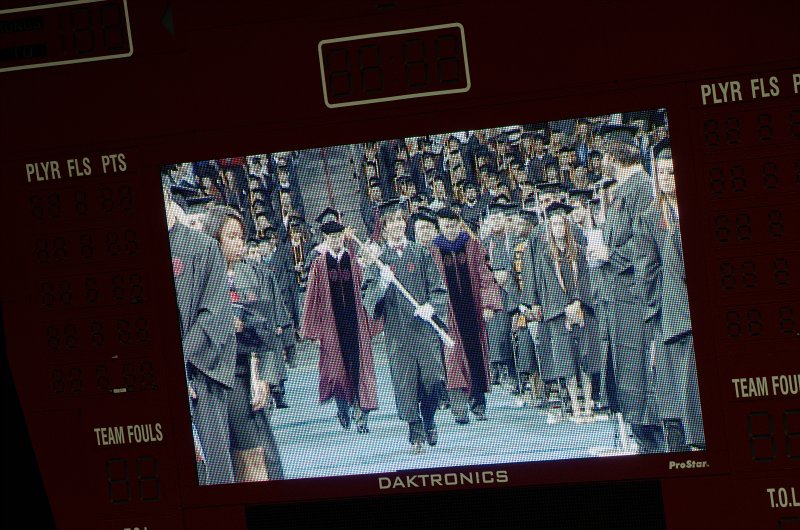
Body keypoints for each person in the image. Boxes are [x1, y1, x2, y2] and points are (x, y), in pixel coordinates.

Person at [592, 123, 662, 453]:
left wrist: (611, 254)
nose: (600, 161)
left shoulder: (642, 188)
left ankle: (655, 448)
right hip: (618, 300)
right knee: (627, 379)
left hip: (635, 300)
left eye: (604, 154)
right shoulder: (621, 189)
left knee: (641, 382)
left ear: (615, 155)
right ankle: (642, 440)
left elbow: (647, 244)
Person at [203, 205, 286, 481]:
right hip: (211, 379)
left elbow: (268, 336)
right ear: (214, 239)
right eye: (231, 237)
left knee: (262, 458)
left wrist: (264, 378)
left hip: (245, 375)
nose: (240, 244)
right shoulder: (197, 279)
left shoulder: (253, 275)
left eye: (241, 237)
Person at [361, 199, 449, 453]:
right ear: (385, 229)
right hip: (398, 334)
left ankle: (429, 416)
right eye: (391, 223)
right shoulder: (379, 262)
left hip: (423, 330)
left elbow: (438, 288)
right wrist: (382, 285)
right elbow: (369, 302)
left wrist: (431, 306)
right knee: (406, 383)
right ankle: (415, 429)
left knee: (434, 380)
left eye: (400, 221)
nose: (397, 227)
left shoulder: (420, 253)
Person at [164, 182, 236, 486]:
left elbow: (214, 316)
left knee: (216, 477)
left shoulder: (201, 247)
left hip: (200, 375)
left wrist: (179, 365)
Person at [636, 138, 705, 451]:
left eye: (672, 172)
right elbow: (647, 273)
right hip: (674, 315)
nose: (665, 178)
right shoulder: (649, 218)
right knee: (678, 396)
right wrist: (655, 320)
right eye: (660, 172)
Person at [301, 208, 379, 433]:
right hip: (332, 327)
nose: (334, 240)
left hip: (355, 325)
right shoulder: (319, 264)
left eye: (338, 236)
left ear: (343, 236)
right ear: (325, 239)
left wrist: (371, 319)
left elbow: (366, 291)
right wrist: (315, 331)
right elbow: (312, 298)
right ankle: (342, 404)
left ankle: (360, 412)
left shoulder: (354, 262)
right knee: (336, 372)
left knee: (359, 368)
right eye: (330, 237)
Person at [430, 207, 502, 423]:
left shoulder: (471, 245)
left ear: (458, 224)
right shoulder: (433, 250)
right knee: (452, 359)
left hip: (472, 310)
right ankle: (459, 406)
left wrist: (488, 305)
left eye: (453, 225)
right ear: (439, 227)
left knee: (476, 356)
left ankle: (478, 402)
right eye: (445, 226)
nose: (450, 231)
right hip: (448, 314)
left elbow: (484, 274)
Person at [536, 202, 601, 422]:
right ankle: (574, 406)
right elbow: (549, 284)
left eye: (561, 224)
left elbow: (585, 279)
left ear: (568, 226)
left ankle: (589, 404)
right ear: (549, 229)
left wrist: (579, 303)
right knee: (567, 361)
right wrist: (564, 307)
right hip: (559, 313)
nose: (558, 228)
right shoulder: (546, 254)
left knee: (585, 357)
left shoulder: (579, 251)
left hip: (581, 309)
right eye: (553, 224)